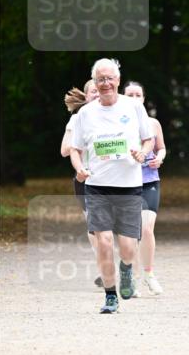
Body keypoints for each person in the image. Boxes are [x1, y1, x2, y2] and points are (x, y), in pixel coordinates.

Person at [69, 58, 153, 314]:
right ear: (94, 83)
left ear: (117, 80)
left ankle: (127, 268)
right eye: (100, 80)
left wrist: (142, 153)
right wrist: (80, 169)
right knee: (104, 242)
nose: (105, 84)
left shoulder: (133, 107)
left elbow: (148, 140)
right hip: (97, 187)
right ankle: (109, 296)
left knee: (127, 247)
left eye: (109, 79)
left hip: (128, 186)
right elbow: (75, 148)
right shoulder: (86, 113)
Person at [124, 81, 166, 296]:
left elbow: (162, 149)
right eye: (129, 94)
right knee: (130, 234)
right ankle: (130, 276)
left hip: (150, 181)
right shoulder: (118, 123)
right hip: (125, 183)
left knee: (147, 228)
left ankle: (148, 274)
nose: (133, 98)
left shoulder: (153, 123)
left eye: (137, 94)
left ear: (143, 98)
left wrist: (159, 159)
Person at [61, 80, 103, 287]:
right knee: (95, 228)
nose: (97, 94)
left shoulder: (113, 116)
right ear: (86, 97)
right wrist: (84, 141)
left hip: (112, 178)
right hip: (85, 179)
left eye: (100, 91)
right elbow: (65, 149)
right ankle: (105, 269)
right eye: (93, 91)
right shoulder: (77, 119)